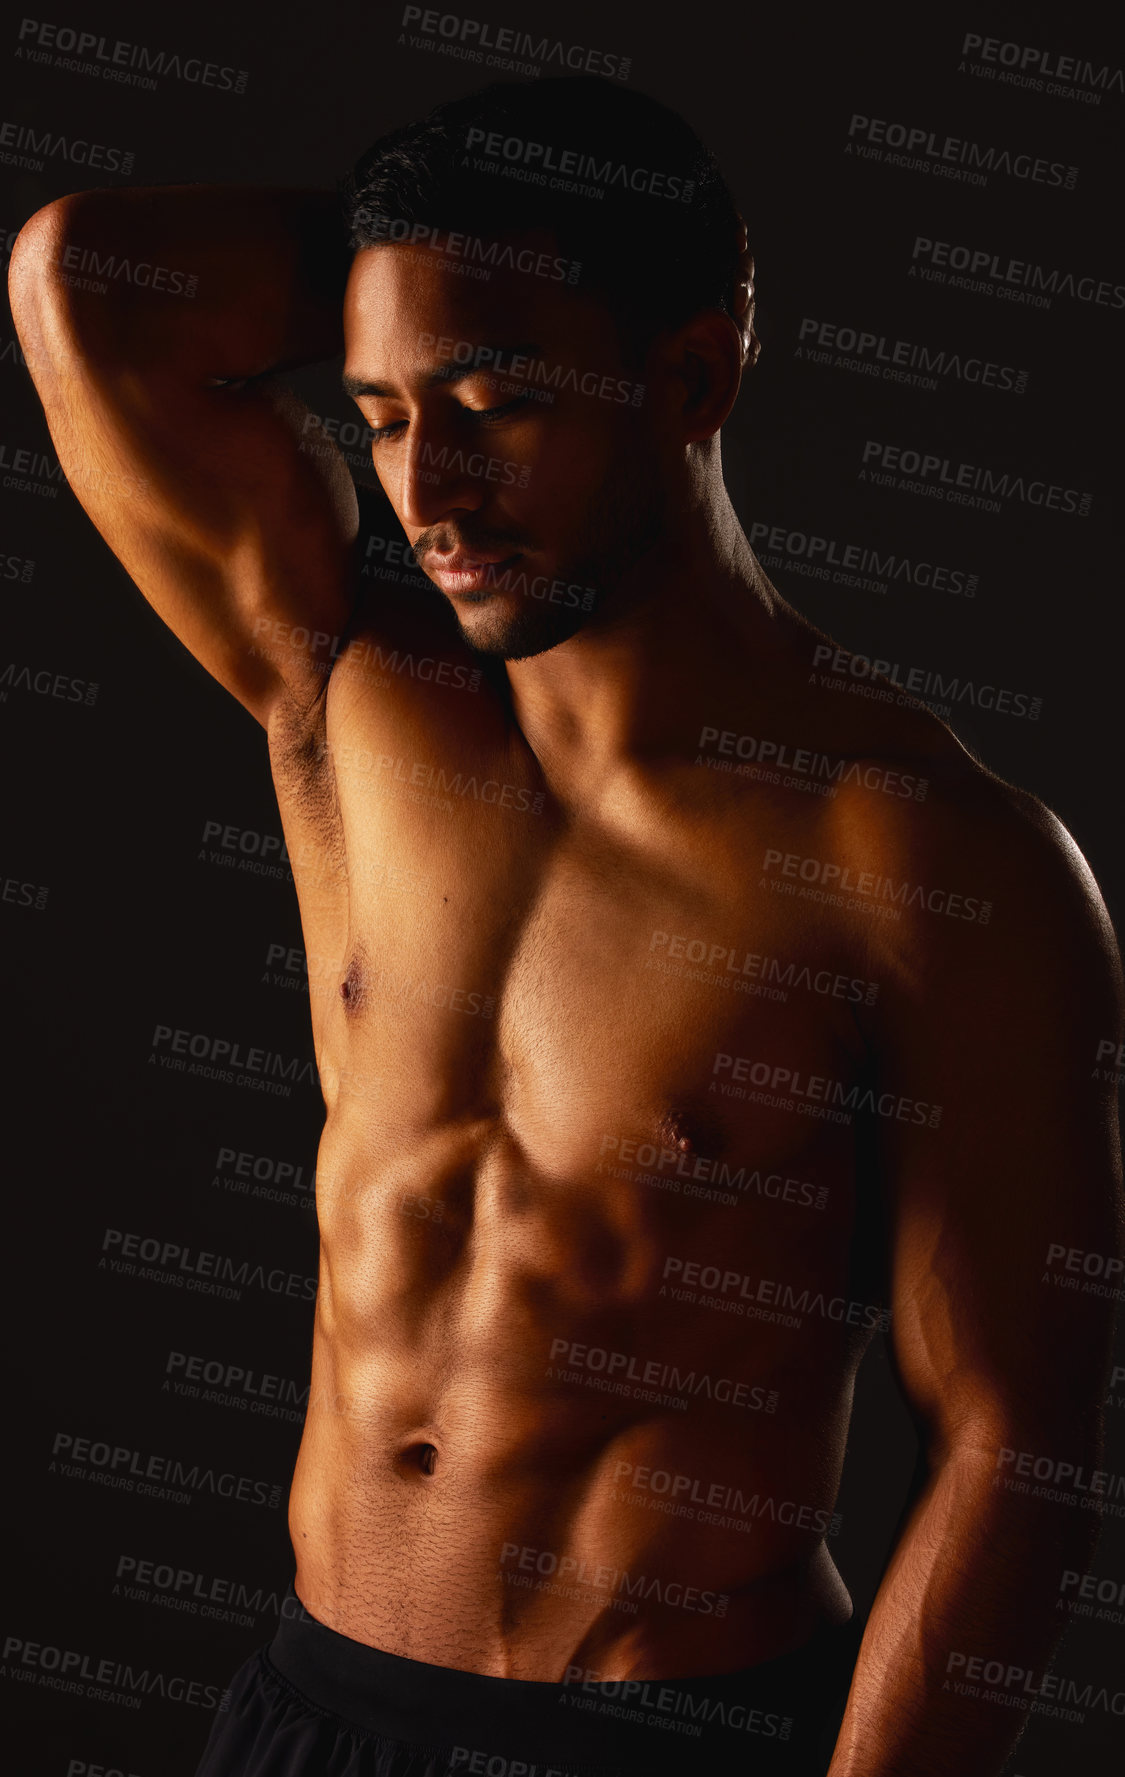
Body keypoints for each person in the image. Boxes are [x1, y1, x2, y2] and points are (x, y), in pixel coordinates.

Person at [10, 73, 1121, 1777]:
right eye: (378, 413)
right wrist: (446, 275)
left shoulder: (920, 855)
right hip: (309, 1709)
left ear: (694, 369)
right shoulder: (344, 686)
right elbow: (82, 277)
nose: (425, 487)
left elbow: (1009, 1447)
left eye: (498, 398)